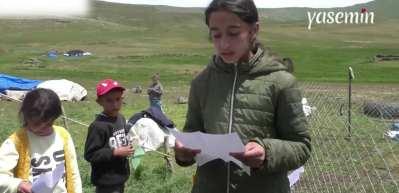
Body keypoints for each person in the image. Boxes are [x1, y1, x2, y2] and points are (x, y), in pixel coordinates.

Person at [173, 0, 311, 193]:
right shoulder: (201, 83)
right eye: (216, 34)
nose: (223, 44)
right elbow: (191, 135)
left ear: (254, 30)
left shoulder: (282, 82)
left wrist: (267, 152)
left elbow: (301, 146)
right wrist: (183, 154)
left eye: (233, 33)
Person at [0, 88, 82, 193]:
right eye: (36, 124)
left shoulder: (63, 136)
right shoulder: (16, 142)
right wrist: (18, 185)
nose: (41, 128)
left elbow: (74, 172)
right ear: (26, 116)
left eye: (48, 124)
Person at [84, 79, 133, 193]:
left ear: (122, 98)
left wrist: (129, 146)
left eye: (118, 99)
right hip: (106, 182)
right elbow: (90, 155)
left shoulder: (120, 119)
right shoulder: (98, 126)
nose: (115, 104)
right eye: (109, 100)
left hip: (120, 176)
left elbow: (121, 139)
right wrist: (115, 152)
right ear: (100, 102)